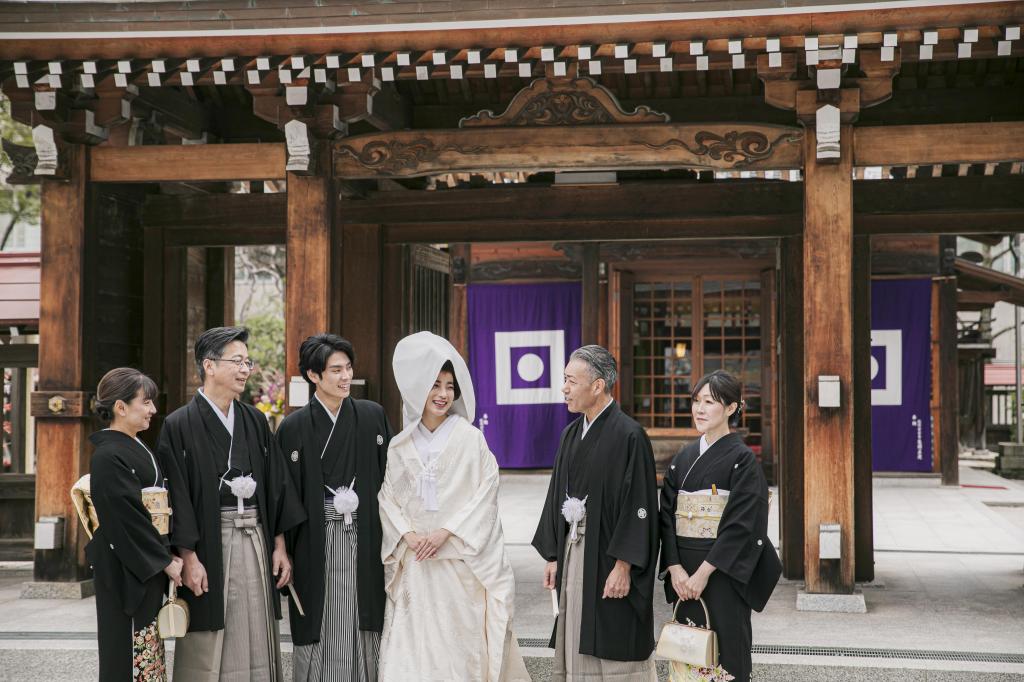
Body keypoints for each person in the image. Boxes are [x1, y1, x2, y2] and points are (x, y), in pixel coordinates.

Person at [377, 331, 530, 682]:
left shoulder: (470, 439)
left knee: (459, 647)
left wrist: (446, 532)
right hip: (417, 563)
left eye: (449, 386)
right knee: (413, 648)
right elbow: (388, 498)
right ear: (419, 389)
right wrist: (407, 534)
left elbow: (486, 493)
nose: (443, 394)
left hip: (459, 563)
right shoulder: (399, 446)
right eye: (435, 385)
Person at [156, 326, 305, 681]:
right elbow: (177, 494)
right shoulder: (179, 424)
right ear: (209, 365)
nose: (245, 370)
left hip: (255, 536)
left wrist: (279, 545)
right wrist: (188, 556)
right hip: (210, 541)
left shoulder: (254, 419)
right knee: (211, 631)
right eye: (237, 361)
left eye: (247, 362)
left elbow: (275, 485)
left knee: (257, 620)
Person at [533, 344, 659, 681]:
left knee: (613, 629)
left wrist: (624, 565)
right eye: (564, 380)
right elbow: (556, 495)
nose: (564, 388)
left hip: (609, 554)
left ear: (598, 385)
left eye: (571, 381)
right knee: (576, 622)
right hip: (574, 547)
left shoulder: (630, 435)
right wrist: (553, 555)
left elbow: (640, 505)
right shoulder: (570, 434)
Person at [277, 333, 392, 682]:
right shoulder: (293, 427)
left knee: (365, 614)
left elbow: (392, 480)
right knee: (319, 617)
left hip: (366, 535)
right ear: (314, 375)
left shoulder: (372, 416)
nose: (346, 377)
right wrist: (282, 547)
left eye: (348, 368)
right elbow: (281, 494)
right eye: (336, 370)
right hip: (315, 539)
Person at [658, 370, 782, 682]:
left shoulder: (743, 459)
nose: (699, 409)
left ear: (731, 408)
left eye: (709, 402)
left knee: (726, 653)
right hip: (683, 573)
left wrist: (702, 574)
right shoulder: (683, 458)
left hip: (722, 573)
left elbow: (743, 525)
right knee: (686, 652)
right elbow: (666, 516)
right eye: (696, 401)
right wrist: (674, 568)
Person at [87, 367, 181, 681]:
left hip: (144, 557)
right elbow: (126, 517)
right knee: (124, 644)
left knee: (148, 644)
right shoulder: (108, 455)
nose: (153, 409)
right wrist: (164, 559)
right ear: (121, 407)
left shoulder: (135, 446)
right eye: (146, 402)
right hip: (124, 561)